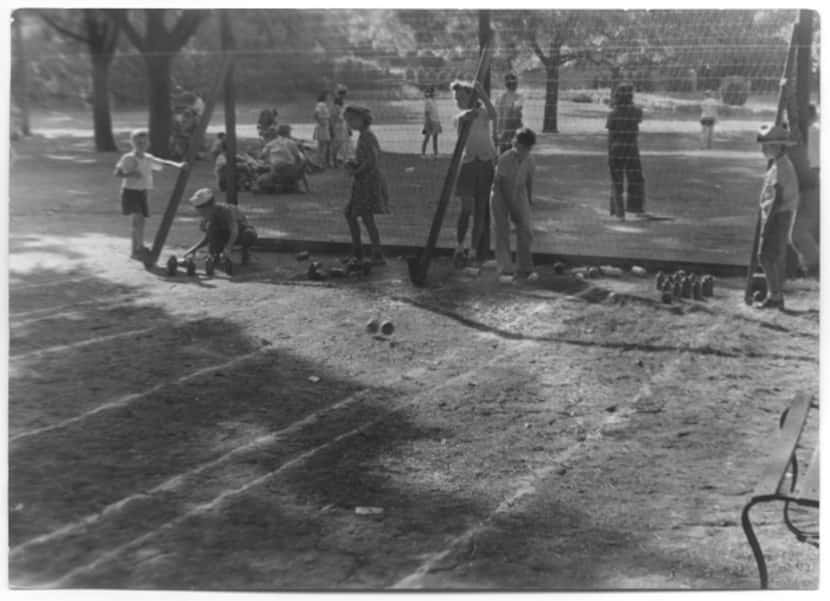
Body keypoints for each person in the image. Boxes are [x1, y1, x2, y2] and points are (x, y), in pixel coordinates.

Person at [114, 129, 187, 259]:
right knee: (137, 222)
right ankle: (137, 249)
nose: (141, 144)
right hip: (130, 192)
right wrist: (130, 174)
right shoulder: (128, 158)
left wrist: (178, 165)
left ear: (148, 143)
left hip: (143, 192)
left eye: (144, 142)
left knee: (140, 222)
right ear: (133, 143)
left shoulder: (148, 158)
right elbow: (117, 173)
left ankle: (137, 248)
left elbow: (163, 162)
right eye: (138, 142)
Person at [451, 79, 498, 266]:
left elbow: (494, 115)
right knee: (466, 209)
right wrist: (465, 113)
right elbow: (462, 118)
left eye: (462, 97)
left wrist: (483, 93)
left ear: (472, 97)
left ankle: (473, 250)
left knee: (480, 209)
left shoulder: (484, 113)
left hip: (486, 163)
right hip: (469, 165)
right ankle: (459, 246)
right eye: (456, 99)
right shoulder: (459, 117)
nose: (458, 101)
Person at [754, 123, 799, 310]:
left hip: (777, 216)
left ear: (779, 146)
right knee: (767, 256)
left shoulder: (781, 167)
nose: (764, 150)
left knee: (765, 256)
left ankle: (775, 296)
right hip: (777, 215)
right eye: (763, 146)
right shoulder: (778, 163)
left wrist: (768, 224)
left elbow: (776, 198)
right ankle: (775, 294)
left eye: (768, 146)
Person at [343, 105, 389, 266]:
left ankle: (373, 254)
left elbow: (372, 160)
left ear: (361, 119)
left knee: (363, 216)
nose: (349, 123)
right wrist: (354, 164)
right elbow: (367, 159)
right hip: (363, 179)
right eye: (347, 120)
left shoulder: (367, 136)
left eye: (351, 120)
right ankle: (361, 252)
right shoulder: (363, 135)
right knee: (352, 214)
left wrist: (356, 171)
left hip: (368, 181)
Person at [491, 127, 538, 282]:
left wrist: (528, 202)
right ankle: (505, 268)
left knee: (525, 228)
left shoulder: (530, 159)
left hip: (519, 192)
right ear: (515, 144)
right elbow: (503, 187)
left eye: (527, 148)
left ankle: (524, 266)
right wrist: (514, 211)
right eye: (520, 146)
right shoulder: (505, 159)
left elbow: (529, 181)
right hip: (500, 195)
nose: (524, 150)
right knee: (502, 230)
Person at [184, 188, 258, 265]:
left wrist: (228, 248)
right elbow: (208, 237)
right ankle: (215, 255)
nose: (202, 214)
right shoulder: (208, 217)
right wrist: (193, 249)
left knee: (249, 234)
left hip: (240, 233)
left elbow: (234, 231)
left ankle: (245, 254)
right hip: (225, 235)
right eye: (200, 212)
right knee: (212, 229)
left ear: (211, 206)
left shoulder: (226, 211)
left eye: (203, 211)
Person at [606, 82, 645, 220]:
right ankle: (635, 209)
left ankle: (618, 212)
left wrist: (609, 153)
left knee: (616, 181)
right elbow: (637, 120)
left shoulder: (612, 114)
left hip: (616, 147)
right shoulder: (637, 111)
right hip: (631, 147)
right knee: (636, 179)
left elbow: (611, 136)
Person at [790, 104, 820, 277]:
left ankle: (815, 268)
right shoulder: (812, 131)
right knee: (797, 234)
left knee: (798, 233)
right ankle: (812, 267)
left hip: (812, 185)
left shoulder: (813, 132)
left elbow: (813, 165)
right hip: (808, 185)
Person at [259, 124, 307, 192]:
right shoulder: (291, 142)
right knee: (303, 162)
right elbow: (298, 158)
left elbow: (262, 156)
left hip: (275, 170)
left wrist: (269, 159)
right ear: (288, 133)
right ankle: (297, 184)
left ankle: (287, 185)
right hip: (289, 170)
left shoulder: (271, 143)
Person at [495, 72, 524, 154]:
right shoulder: (517, 96)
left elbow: (498, 114)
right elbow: (516, 113)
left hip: (508, 128)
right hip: (510, 128)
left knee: (506, 151)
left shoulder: (501, 96)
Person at [421, 85, 442, 159]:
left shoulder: (434, 101)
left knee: (435, 138)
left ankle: (436, 154)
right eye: (435, 91)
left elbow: (435, 112)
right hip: (430, 122)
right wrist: (427, 124)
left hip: (436, 121)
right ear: (432, 93)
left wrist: (438, 122)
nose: (436, 93)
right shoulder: (428, 101)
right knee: (427, 138)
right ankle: (423, 154)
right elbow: (427, 113)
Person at [313, 91, 333, 168]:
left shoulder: (323, 105)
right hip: (322, 127)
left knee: (322, 145)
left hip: (324, 126)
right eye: (328, 96)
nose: (329, 98)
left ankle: (320, 162)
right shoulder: (321, 104)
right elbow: (315, 114)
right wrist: (321, 122)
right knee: (322, 146)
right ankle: (320, 162)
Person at [331, 96, 350, 167]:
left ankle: (338, 160)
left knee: (340, 144)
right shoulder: (337, 108)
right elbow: (334, 119)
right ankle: (335, 160)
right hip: (339, 128)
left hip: (341, 127)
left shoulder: (339, 108)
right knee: (338, 144)